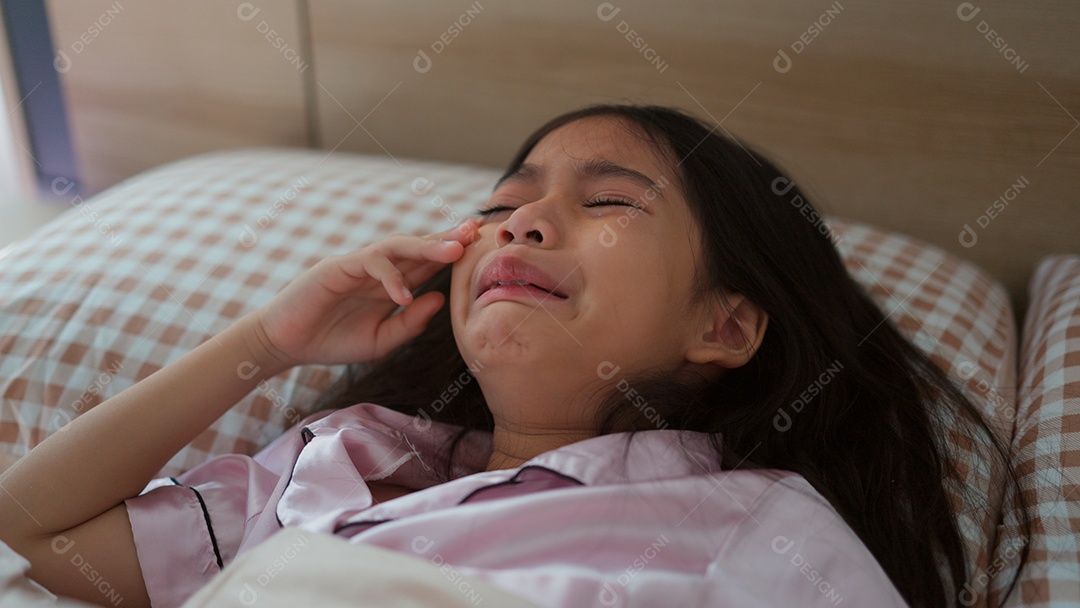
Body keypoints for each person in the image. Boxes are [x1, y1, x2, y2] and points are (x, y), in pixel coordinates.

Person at [0, 105, 1024, 607]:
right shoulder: (343, 459)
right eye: (501, 206)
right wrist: (269, 343)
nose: (524, 222)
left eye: (608, 200)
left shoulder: (755, 527)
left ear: (723, 326)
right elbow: (31, 531)